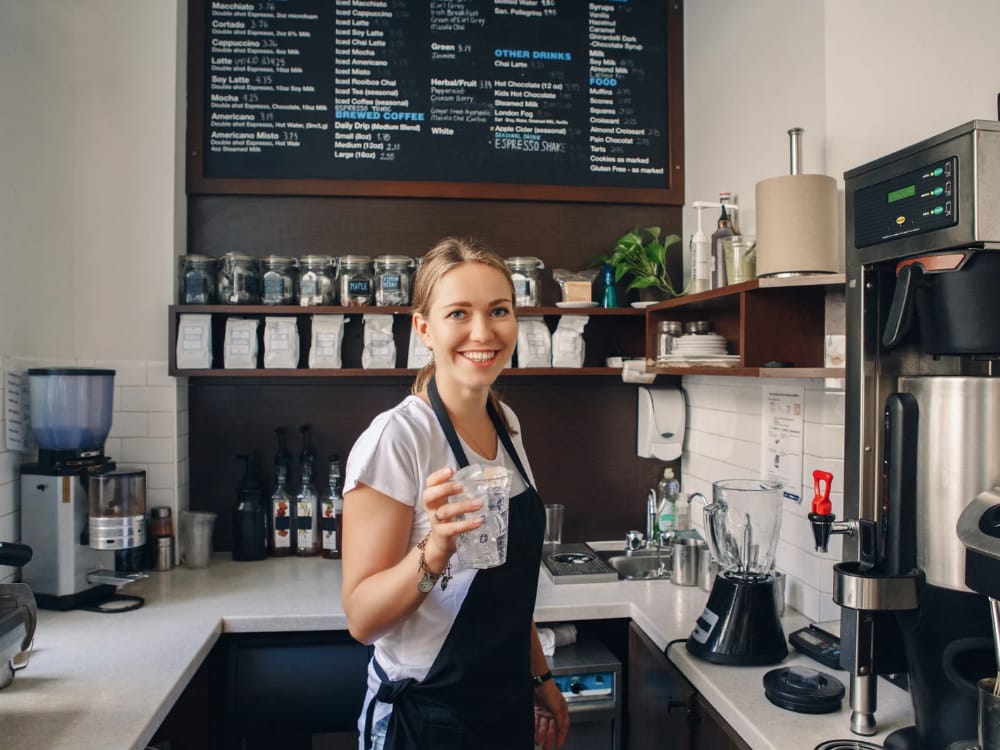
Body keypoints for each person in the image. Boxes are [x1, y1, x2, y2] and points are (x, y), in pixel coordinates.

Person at [342, 237, 569, 750]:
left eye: (499, 311)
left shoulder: (505, 424)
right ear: (424, 328)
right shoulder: (397, 438)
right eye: (458, 313)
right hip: (425, 715)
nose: (483, 332)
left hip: (503, 704)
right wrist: (435, 550)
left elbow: (504, 589)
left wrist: (540, 679)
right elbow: (361, 618)